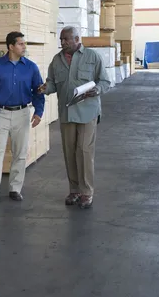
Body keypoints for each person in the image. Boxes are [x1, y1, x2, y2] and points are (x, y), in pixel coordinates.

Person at [38, 26, 111, 209]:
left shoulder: (92, 57)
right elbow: (52, 83)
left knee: (84, 151)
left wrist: (97, 90)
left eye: (66, 39)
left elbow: (105, 81)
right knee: (69, 152)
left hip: (88, 112)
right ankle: (74, 190)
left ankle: (87, 192)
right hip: (67, 112)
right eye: (61, 39)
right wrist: (45, 89)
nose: (62, 43)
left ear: (77, 39)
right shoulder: (57, 60)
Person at [0, 31, 45, 203]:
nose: (24, 47)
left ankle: (15, 189)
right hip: (1, 114)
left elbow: (38, 91)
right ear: (11, 47)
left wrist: (38, 112)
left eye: (24, 43)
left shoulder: (31, 67)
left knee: (20, 154)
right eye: (21, 44)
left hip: (22, 114)